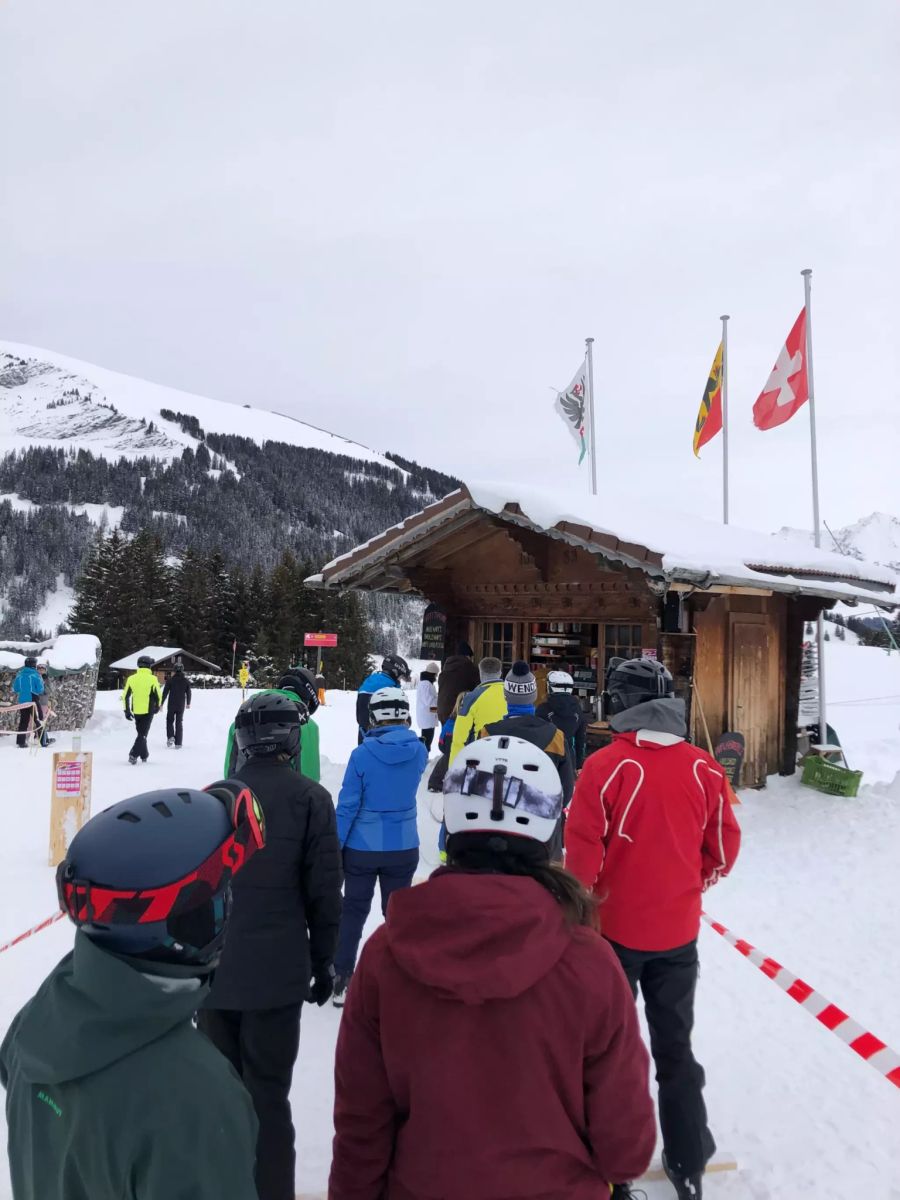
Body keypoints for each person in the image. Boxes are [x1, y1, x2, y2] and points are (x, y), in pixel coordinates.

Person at [329, 735, 656, 1200]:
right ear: (547, 829)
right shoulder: (590, 962)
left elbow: (361, 1126)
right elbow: (625, 1148)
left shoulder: (389, 952)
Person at [0, 781, 264, 1200]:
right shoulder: (195, 1099)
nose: (228, 907)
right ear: (187, 926)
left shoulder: (40, 1020)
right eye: (219, 897)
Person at [566, 656, 742, 1200]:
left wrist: (580, 912)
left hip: (611, 936)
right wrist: (691, 884)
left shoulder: (604, 765)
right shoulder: (703, 767)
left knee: (605, 1052)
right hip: (677, 935)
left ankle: (609, 1168)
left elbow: (581, 852)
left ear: (621, 704)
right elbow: (724, 845)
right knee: (675, 1048)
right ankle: (688, 1159)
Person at [199, 692, 342, 1200]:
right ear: (291, 740)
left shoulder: (215, 796)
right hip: (277, 974)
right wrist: (325, 961)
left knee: (220, 1096)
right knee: (268, 1098)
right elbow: (325, 890)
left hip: (214, 972)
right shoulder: (310, 798)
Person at [332, 687, 427, 1006]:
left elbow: (347, 807)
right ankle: (403, 978)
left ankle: (341, 977)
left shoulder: (361, 755)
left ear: (372, 717)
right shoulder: (419, 751)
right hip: (403, 845)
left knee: (353, 911)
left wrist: (334, 847)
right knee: (397, 914)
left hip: (361, 847)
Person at [482, 661, 575, 861]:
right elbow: (566, 789)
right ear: (533, 696)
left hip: (497, 828)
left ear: (506, 696)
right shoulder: (555, 736)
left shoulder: (487, 733)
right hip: (544, 831)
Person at [224, 667, 322, 782]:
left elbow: (230, 769)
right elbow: (310, 776)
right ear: (309, 697)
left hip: (244, 795)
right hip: (285, 796)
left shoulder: (244, 716)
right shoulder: (306, 724)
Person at [448, 656, 507, 763]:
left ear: (480, 673)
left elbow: (460, 737)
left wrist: (454, 767)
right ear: (500, 673)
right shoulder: (511, 694)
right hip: (508, 751)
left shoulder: (471, 698)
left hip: (481, 754)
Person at [537, 669, 590, 770]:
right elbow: (581, 739)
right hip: (570, 760)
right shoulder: (577, 709)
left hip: (547, 759)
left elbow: (538, 737)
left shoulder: (543, 709)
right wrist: (579, 764)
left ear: (550, 686)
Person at [355, 655, 411, 744]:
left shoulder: (368, 683)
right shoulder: (391, 690)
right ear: (395, 672)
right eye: (400, 677)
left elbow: (360, 717)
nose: (400, 680)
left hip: (364, 737)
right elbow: (403, 719)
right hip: (384, 739)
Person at [121, 655, 163, 764]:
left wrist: (127, 711)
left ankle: (144, 755)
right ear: (149, 666)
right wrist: (158, 706)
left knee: (141, 733)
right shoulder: (153, 679)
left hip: (136, 710)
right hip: (148, 710)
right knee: (143, 734)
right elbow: (159, 695)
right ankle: (133, 754)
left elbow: (125, 696)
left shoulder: (131, 678)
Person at [436, 641, 480, 726]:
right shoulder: (469, 668)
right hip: (456, 711)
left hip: (442, 710)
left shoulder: (447, 668)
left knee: (446, 737)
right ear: (467, 656)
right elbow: (478, 688)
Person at [12, 655, 44, 749]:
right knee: (39, 719)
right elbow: (40, 690)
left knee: (23, 721)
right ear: (34, 665)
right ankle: (43, 740)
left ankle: (21, 742)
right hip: (33, 699)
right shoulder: (35, 675)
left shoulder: (19, 675)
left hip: (22, 700)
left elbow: (16, 689)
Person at [162, 661, 192, 749]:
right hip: (181, 705)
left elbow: (165, 693)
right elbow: (189, 693)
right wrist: (188, 703)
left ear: (174, 670)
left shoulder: (170, 680)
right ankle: (178, 743)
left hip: (171, 704)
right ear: (182, 670)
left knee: (169, 720)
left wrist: (161, 703)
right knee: (179, 722)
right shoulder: (186, 681)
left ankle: (170, 736)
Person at [415, 662, 439, 751]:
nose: (436, 677)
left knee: (426, 741)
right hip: (427, 718)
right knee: (426, 742)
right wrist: (439, 700)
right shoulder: (426, 684)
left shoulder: (426, 683)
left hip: (427, 717)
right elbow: (429, 701)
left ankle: (424, 758)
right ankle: (424, 759)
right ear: (432, 674)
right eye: (435, 675)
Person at [35, 662, 56, 747]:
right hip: (35, 702)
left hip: (43, 703)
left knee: (42, 722)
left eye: (42, 669)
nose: (41, 671)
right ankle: (43, 741)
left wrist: (43, 685)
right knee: (39, 722)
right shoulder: (34, 678)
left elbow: (50, 690)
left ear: (45, 670)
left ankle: (45, 739)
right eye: (39, 669)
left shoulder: (47, 679)